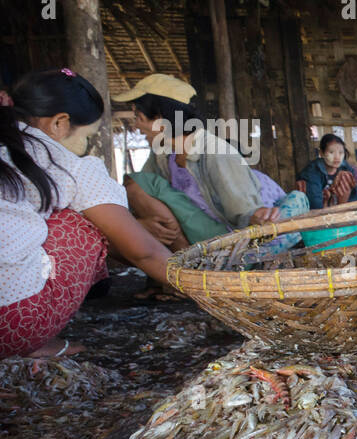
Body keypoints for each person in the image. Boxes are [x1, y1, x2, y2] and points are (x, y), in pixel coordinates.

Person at [0, 69, 176, 358]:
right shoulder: (67, 163)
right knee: (80, 220)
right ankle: (32, 338)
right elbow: (143, 252)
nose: (86, 147)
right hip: (11, 323)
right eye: (87, 137)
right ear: (59, 123)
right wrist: (207, 288)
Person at [120, 74, 308, 252]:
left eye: (139, 117)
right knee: (136, 183)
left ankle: (205, 266)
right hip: (193, 235)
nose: (135, 126)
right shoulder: (162, 154)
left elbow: (244, 212)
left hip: (226, 239)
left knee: (138, 184)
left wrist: (256, 216)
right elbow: (137, 194)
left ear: (160, 119)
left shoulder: (216, 152)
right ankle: (182, 266)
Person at [297, 134, 357, 210]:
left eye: (341, 153)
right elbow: (315, 203)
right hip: (318, 213)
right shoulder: (312, 171)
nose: (337, 157)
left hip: (341, 210)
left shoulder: (347, 169)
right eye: (331, 152)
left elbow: (354, 197)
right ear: (321, 153)